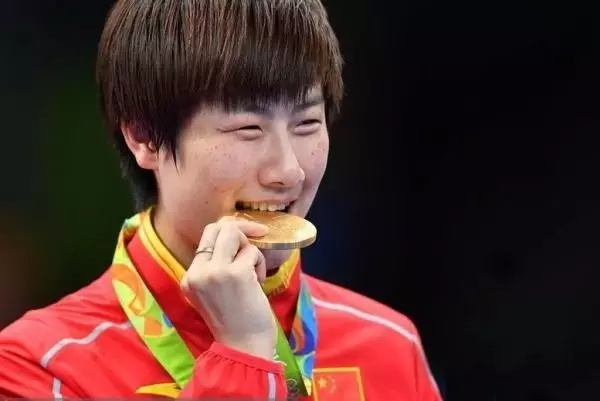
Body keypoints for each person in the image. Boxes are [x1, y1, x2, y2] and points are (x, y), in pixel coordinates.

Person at [0, 1, 442, 400]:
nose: (289, 170)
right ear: (144, 137)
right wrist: (242, 354)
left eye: (307, 123)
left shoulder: (388, 347)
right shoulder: (40, 367)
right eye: (248, 129)